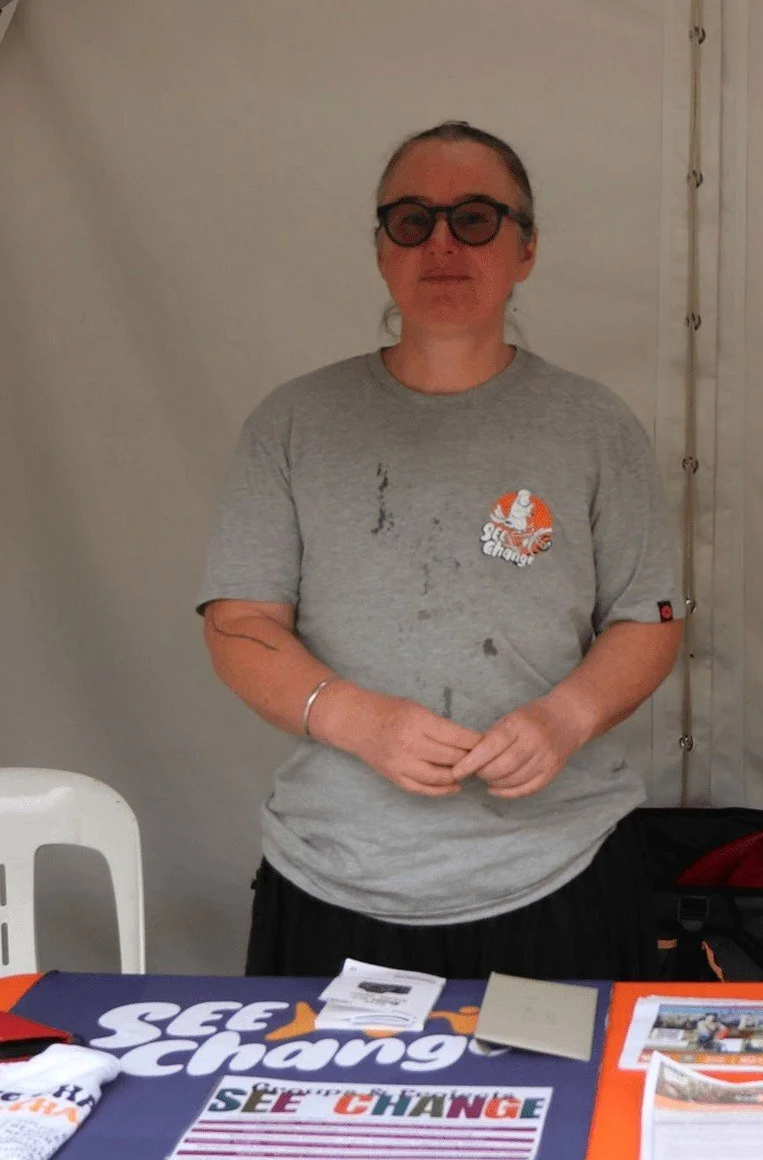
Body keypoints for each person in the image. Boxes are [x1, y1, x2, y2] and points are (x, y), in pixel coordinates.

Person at [200, 120, 682, 979]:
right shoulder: (293, 422)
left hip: (559, 870)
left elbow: (648, 618)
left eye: (476, 218)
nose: (442, 244)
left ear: (525, 248)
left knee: (569, 1117)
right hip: (331, 875)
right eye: (412, 219)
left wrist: (562, 719)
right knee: (332, 1119)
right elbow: (239, 621)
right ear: (382, 249)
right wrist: (353, 716)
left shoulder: (595, 426)